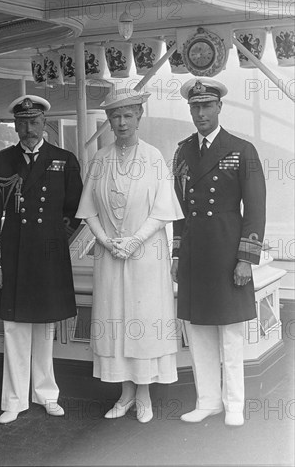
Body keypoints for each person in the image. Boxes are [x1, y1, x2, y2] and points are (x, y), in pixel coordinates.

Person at [76, 88, 184, 423]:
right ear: (108, 121)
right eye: (115, 117)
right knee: (116, 320)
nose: (121, 122)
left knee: (144, 320)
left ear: (139, 117)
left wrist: (135, 240)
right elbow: (89, 210)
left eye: (127, 116)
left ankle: (144, 394)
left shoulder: (153, 157)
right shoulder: (100, 159)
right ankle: (124, 394)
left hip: (146, 254)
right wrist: (106, 241)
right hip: (110, 255)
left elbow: (163, 211)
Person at [171, 78, 266, 427]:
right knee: (198, 330)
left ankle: (235, 404)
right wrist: (176, 255)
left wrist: (246, 258)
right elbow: (179, 211)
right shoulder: (182, 152)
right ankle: (208, 400)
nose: (200, 113)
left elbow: (256, 208)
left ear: (219, 107)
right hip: (195, 254)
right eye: (195, 107)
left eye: (206, 105)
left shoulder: (241, 149)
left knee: (229, 333)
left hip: (228, 253)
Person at [0, 95, 83, 424]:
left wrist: (56, 241)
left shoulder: (64, 159)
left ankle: (46, 394)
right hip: (13, 255)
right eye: (23, 123)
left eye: (35, 122)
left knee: (45, 327)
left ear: (45, 124)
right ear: (15, 125)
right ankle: (13, 400)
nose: (28, 129)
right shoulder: (1, 161)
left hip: (49, 256)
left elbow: (76, 211)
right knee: (14, 328)